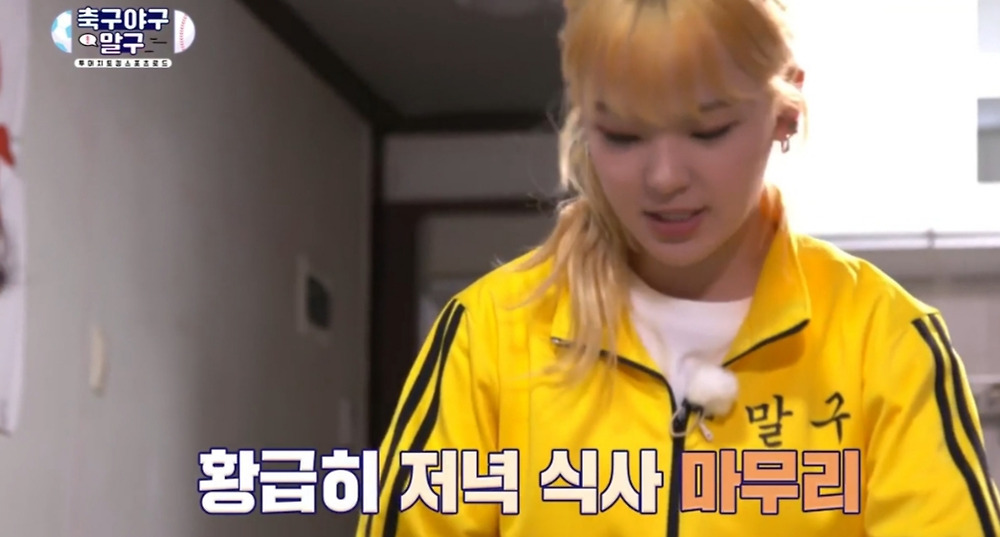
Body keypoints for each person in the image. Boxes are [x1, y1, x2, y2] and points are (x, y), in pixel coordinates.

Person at [358, 0, 1000, 535]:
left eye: (708, 131)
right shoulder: (492, 332)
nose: (664, 178)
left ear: (784, 108)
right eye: (623, 135)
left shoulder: (884, 341)